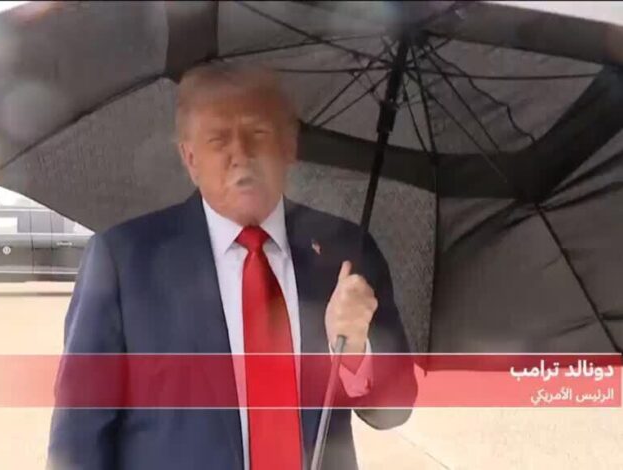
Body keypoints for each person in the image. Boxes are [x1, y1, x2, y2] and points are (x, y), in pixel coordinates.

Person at [48, 64, 416, 470]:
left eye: (257, 133)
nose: (240, 154)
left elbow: (394, 409)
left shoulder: (345, 254)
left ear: (289, 145)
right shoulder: (124, 262)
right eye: (218, 139)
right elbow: (78, 438)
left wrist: (355, 352)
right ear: (190, 158)